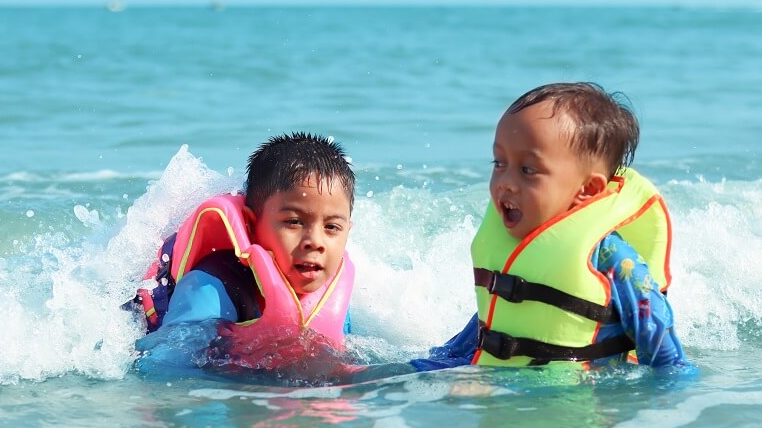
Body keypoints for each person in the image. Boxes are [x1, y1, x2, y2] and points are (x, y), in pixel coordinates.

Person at [413, 82, 688, 371]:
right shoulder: (519, 244)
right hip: (509, 386)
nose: (505, 182)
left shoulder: (611, 256)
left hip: (578, 396)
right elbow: (500, 321)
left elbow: (657, 334)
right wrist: (439, 361)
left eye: (527, 170)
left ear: (587, 189)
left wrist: (669, 390)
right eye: (499, 163)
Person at [134, 132, 356, 367]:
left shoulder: (332, 291)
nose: (315, 242)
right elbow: (167, 368)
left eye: (332, 227)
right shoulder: (211, 285)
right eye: (294, 222)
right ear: (251, 224)